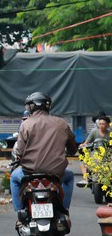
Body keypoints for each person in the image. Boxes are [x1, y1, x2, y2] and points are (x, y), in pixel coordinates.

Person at [10, 92, 78, 223]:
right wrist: (70, 151)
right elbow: (72, 147)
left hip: (29, 172)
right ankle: (64, 209)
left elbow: (19, 150)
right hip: (56, 173)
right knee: (69, 177)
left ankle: (19, 212)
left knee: (14, 178)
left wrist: (19, 157)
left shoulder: (26, 124)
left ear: (34, 106)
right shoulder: (61, 123)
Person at [78, 113, 110, 187]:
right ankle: (86, 179)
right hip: (96, 155)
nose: (101, 126)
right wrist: (82, 145)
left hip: (108, 156)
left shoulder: (110, 133)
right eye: (100, 124)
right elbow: (86, 142)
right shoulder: (94, 132)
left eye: (103, 124)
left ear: (108, 125)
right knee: (83, 163)